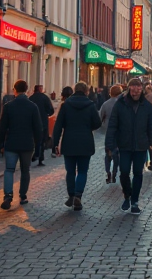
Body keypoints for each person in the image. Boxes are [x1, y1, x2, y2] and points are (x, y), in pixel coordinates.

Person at [105, 78, 152, 215]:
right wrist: (110, 144)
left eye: (138, 90)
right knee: (123, 172)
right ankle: (127, 195)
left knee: (138, 173)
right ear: (129, 89)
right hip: (125, 144)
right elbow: (113, 125)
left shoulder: (146, 106)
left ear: (141, 90)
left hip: (141, 145)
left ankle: (134, 201)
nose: (135, 93)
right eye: (133, 90)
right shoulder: (120, 104)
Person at [51, 82, 102, 211]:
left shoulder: (66, 105)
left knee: (70, 171)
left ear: (74, 90)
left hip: (69, 142)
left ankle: (71, 195)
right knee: (83, 171)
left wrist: (55, 143)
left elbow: (58, 126)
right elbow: (97, 123)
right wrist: (88, 127)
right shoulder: (90, 105)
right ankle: (78, 195)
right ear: (86, 91)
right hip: (85, 141)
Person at [0, 80, 43, 209]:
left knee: (9, 170)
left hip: (11, 143)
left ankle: (8, 195)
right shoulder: (33, 107)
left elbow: (1, 127)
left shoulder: (8, 106)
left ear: (14, 90)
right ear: (27, 90)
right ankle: (23, 196)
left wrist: (0, 143)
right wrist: (37, 144)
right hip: (27, 144)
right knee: (25, 170)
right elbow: (38, 128)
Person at [99, 84, 123, 183]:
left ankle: (108, 171)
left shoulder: (106, 104)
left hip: (108, 131)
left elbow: (100, 117)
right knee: (117, 154)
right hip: (120, 132)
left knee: (108, 153)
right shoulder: (123, 104)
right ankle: (114, 172)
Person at [29, 85, 54, 166]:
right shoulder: (45, 98)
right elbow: (50, 110)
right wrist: (47, 114)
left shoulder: (31, 98)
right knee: (42, 141)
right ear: (40, 89)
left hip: (32, 122)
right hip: (43, 122)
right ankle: (40, 158)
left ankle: (32, 155)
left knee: (33, 140)